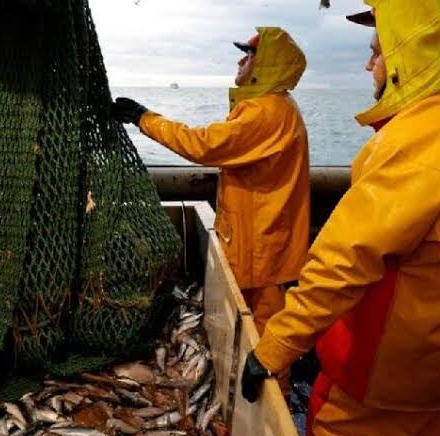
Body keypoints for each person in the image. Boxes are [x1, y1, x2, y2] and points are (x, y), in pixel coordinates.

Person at [241, 2, 440, 435]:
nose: (369, 65)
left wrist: (272, 349)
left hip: (377, 382)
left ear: (415, 54)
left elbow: (344, 261)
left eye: (378, 52)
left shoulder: (420, 138)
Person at [112, 26, 310, 398]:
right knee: (257, 327)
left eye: (248, 55)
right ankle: (256, 390)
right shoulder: (271, 107)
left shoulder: (266, 111)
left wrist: (143, 117)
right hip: (262, 240)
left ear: (264, 66)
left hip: (262, 248)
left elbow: (203, 145)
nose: (240, 61)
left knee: (266, 332)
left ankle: (273, 402)